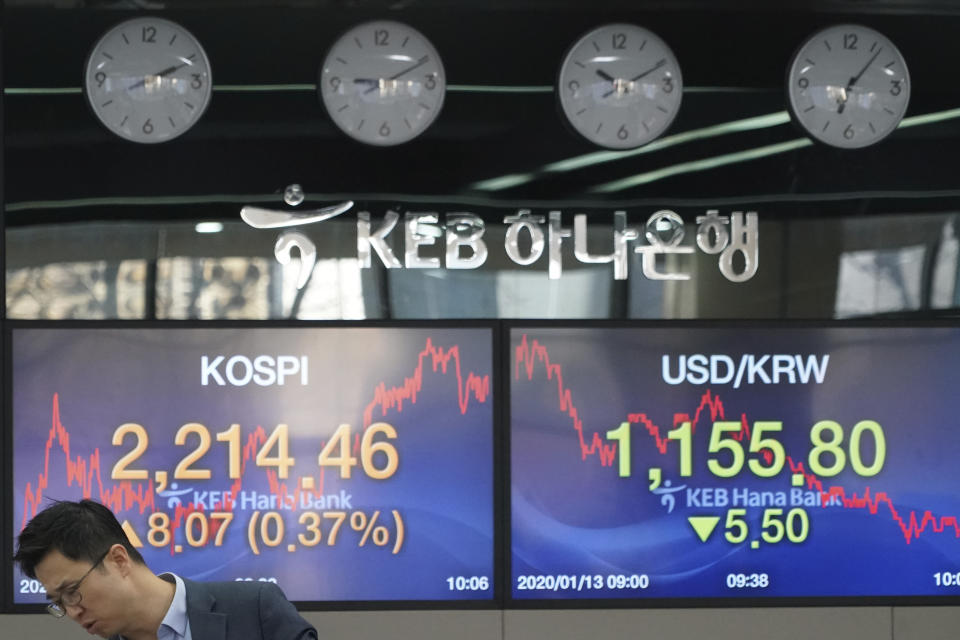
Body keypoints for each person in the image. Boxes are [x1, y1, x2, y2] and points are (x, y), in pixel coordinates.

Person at [14, 499, 317, 640]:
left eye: (71, 592)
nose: (71, 612)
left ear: (118, 560)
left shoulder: (255, 608)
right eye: (58, 603)